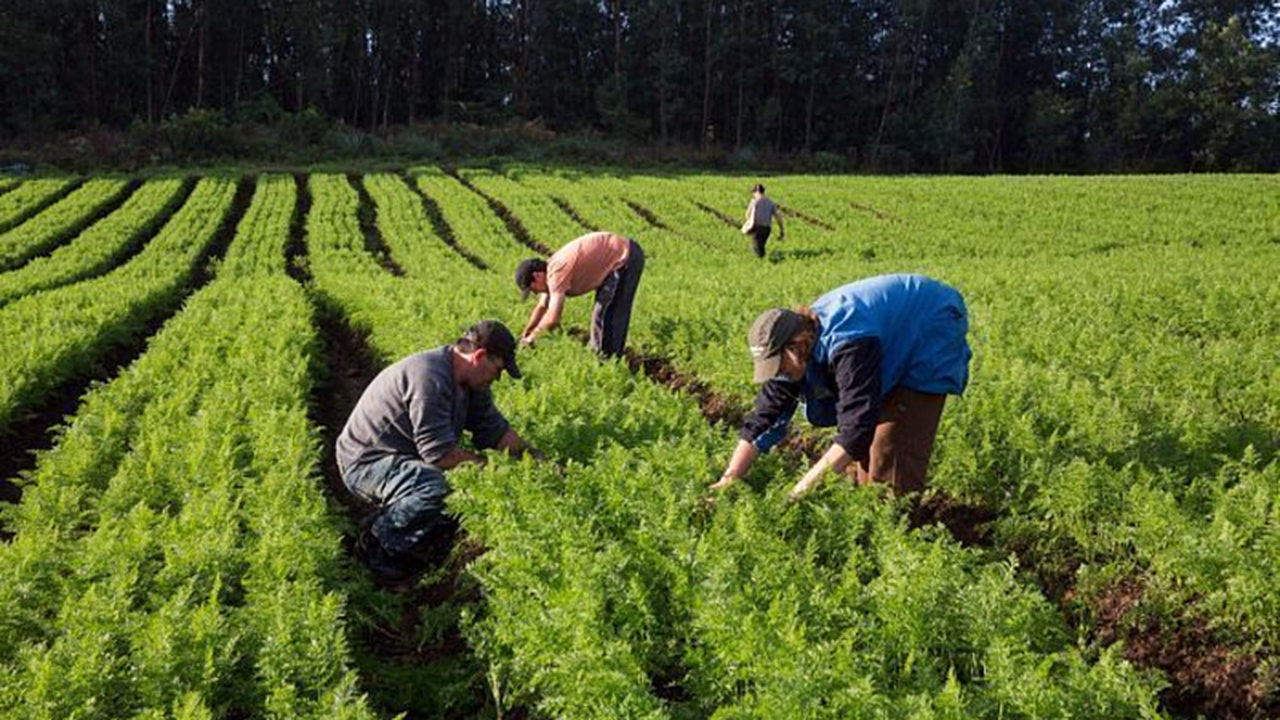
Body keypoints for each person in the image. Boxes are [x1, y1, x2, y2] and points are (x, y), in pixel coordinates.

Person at [710, 274, 971, 499]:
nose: (779, 374)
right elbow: (763, 419)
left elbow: (855, 429)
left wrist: (798, 493)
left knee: (890, 457)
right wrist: (729, 478)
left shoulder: (849, 344)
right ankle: (867, 514)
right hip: (888, 335)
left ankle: (892, 529)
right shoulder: (797, 353)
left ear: (798, 346)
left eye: (779, 366)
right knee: (863, 460)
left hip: (929, 326)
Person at [337, 320, 542, 584]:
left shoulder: (471, 383)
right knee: (436, 485)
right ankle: (376, 546)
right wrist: (494, 469)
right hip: (364, 463)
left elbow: (495, 431)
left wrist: (533, 458)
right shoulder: (430, 378)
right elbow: (440, 455)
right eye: (498, 369)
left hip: (400, 459)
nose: (497, 378)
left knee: (449, 500)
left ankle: (392, 524)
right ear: (479, 356)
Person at [514, 231, 645, 357]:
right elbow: (542, 307)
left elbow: (553, 318)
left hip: (625, 258)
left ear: (537, 275)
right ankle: (603, 358)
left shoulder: (557, 272)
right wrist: (527, 332)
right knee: (603, 313)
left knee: (606, 315)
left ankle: (606, 362)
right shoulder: (550, 270)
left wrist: (532, 339)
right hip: (618, 257)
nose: (536, 292)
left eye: (533, 289)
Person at [741, 183, 785, 259]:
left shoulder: (754, 202)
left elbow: (747, 215)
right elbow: (778, 217)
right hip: (766, 229)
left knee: (757, 249)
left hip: (756, 228)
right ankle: (768, 259)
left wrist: (747, 225)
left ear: (755, 192)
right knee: (761, 245)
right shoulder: (770, 202)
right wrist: (781, 230)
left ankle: (769, 261)